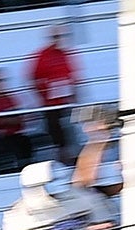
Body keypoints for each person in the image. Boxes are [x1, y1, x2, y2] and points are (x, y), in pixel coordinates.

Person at [28, 25, 82, 162]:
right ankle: (62, 157)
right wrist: (44, 94)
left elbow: (73, 76)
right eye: (55, 37)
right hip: (50, 103)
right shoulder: (42, 56)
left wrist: (74, 94)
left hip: (66, 101)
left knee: (71, 128)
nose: (58, 40)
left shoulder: (66, 55)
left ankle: (74, 156)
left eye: (60, 36)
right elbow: (33, 78)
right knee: (56, 131)